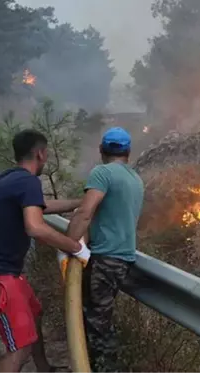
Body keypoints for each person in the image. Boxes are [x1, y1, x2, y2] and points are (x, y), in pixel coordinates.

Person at [0, 129, 91, 373]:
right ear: (40, 153)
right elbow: (35, 227)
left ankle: (44, 368)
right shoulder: (28, 181)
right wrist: (76, 247)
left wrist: (80, 203)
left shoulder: (6, 178)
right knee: (20, 348)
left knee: (35, 312)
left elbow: (41, 206)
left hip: (4, 272)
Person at [67, 127, 144, 373]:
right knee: (101, 320)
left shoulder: (102, 173)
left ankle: (103, 368)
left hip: (105, 258)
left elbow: (85, 212)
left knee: (96, 324)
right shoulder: (135, 178)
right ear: (128, 152)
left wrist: (68, 245)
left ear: (102, 150)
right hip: (123, 258)